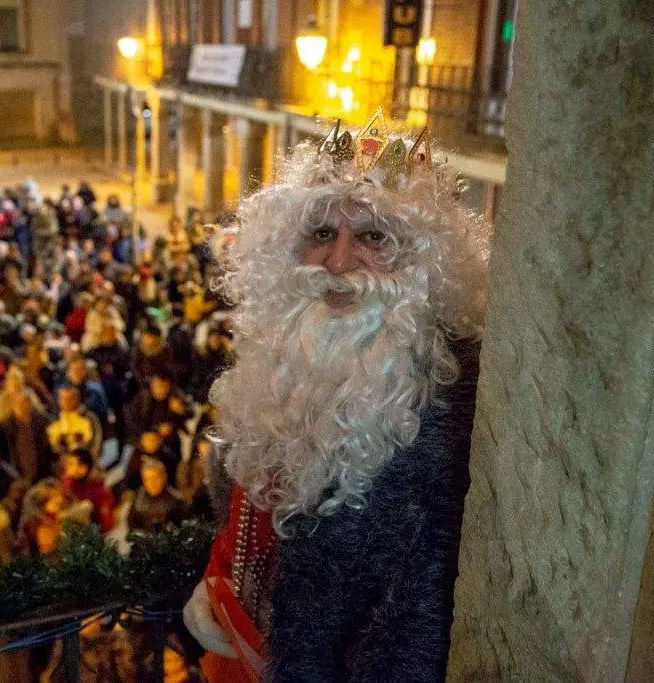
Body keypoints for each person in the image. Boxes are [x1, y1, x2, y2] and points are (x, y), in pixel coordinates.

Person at [182, 120, 488, 680]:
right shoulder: (279, 360)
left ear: (425, 262)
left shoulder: (455, 411)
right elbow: (247, 519)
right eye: (322, 233)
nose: (339, 263)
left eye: (372, 237)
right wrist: (218, 583)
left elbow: (417, 634)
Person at [0, 391, 53, 484]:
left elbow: (48, 447)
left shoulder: (42, 422)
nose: (23, 406)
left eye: (25, 403)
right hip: (15, 473)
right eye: (19, 403)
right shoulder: (5, 426)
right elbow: (0, 452)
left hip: (40, 471)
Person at [128, 456, 190, 533]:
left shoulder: (177, 502)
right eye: (147, 479)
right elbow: (132, 526)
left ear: (164, 478)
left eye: (155, 478)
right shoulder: (138, 500)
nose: (152, 483)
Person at [60, 448, 115, 532]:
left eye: (71, 464)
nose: (68, 468)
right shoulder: (66, 482)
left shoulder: (100, 491)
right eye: (68, 464)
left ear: (85, 467)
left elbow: (106, 523)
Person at [46, 385, 102, 457]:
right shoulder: (53, 420)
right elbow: (50, 445)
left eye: (71, 398)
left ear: (78, 399)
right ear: (58, 400)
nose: (67, 402)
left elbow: (96, 443)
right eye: (64, 399)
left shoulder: (89, 418)